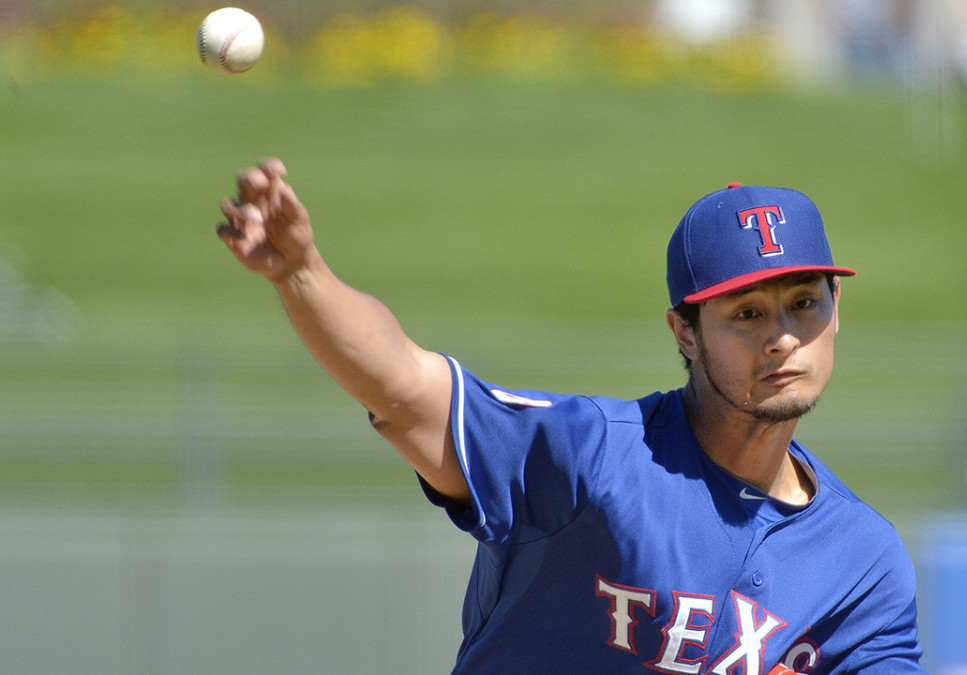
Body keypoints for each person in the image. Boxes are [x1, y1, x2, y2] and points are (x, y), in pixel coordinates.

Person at [217, 159, 926, 674]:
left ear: (837, 312)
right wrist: (304, 274)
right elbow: (407, 390)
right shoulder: (595, 457)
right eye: (747, 312)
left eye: (806, 303)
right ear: (685, 332)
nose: (782, 336)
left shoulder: (862, 560)